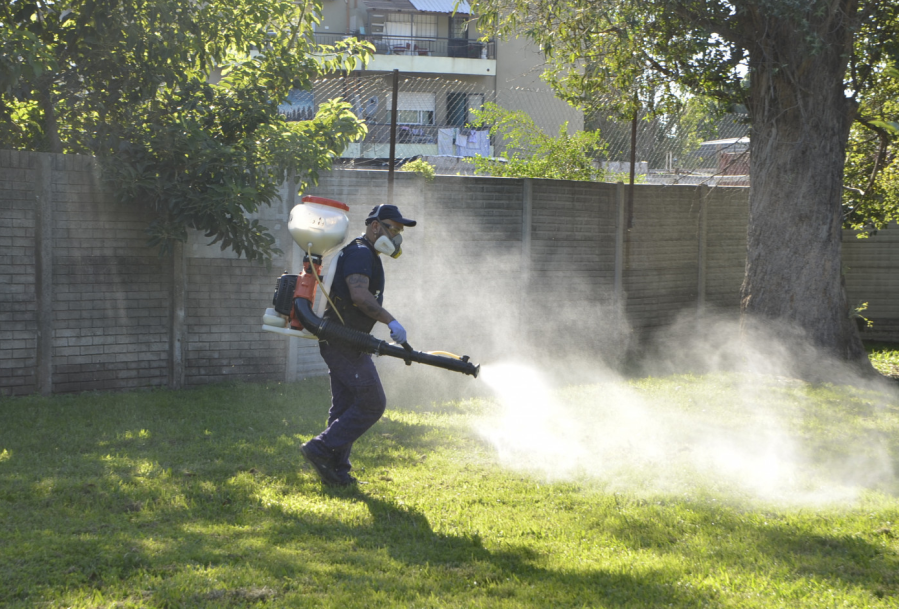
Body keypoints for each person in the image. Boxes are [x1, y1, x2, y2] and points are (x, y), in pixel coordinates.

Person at [300, 204, 416, 486]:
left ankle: (337, 471)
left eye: (400, 231)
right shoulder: (361, 253)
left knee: (345, 406)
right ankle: (319, 448)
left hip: (346, 341)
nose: (397, 236)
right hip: (344, 342)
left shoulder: (366, 254)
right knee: (372, 403)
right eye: (393, 229)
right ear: (375, 226)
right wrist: (391, 321)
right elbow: (360, 296)